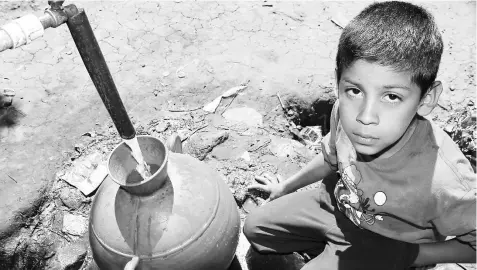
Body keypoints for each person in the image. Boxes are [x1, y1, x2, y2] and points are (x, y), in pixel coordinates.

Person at [243, 1, 476, 269]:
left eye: (391, 96)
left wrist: (411, 256)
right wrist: (284, 188)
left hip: (389, 242)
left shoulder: (444, 178)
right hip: (338, 205)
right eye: (355, 90)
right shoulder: (344, 112)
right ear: (338, 81)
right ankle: (328, 251)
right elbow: (332, 156)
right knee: (255, 227)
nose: (365, 117)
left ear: (426, 98)